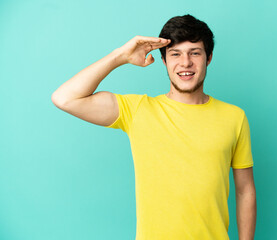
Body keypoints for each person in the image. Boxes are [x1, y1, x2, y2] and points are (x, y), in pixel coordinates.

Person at [51, 14, 256, 240]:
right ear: (164, 61)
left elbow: (245, 190)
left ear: (208, 58)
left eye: (194, 53)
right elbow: (65, 98)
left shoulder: (234, 117)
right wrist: (120, 56)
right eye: (175, 54)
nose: (185, 62)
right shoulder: (138, 110)